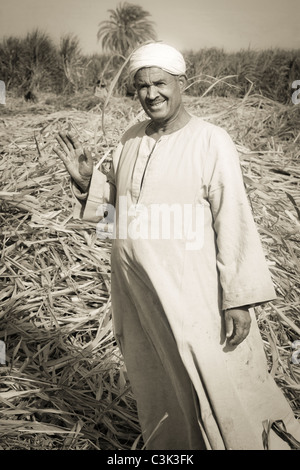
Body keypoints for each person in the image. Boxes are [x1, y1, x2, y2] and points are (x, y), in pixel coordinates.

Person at [54, 43, 300, 450]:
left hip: (195, 297)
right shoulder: (130, 140)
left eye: (160, 83)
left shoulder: (210, 141)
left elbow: (233, 218)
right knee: (160, 385)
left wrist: (238, 298)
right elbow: (118, 218)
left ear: (182, 83)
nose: (151, 94)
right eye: (142, 87)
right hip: (139, 298)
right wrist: (87, 184)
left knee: (220, 384)